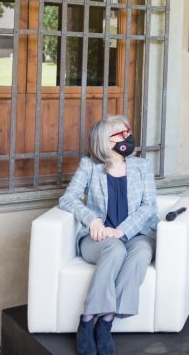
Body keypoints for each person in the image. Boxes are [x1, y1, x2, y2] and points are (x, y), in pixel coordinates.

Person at [59, 115, 158, 355]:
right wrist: (92, 219)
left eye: (128, 132)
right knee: (115, 248)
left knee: (141, 251)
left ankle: (106, 323)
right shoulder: (89, 166)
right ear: (105, 141)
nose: (128, 138)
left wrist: (122, 230)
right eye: (120, 135)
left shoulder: (141, 166)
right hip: (98, 239)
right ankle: (87, 319)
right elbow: (67, 198)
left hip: (136, 234)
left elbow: (149, 206)